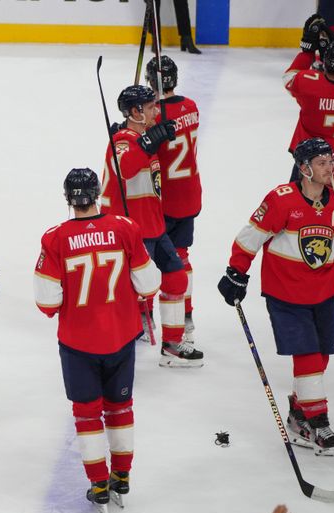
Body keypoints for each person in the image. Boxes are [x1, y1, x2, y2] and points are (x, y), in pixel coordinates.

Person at [218, 137, 334, 456]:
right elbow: (251, 236)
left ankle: (299, 415)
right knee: (308, 355)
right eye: (322, 163)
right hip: (286, 295)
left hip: (323, 293)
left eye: (331, 162)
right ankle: (317, 421)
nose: (330, 168)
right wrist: (236, 272)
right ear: (303, 168)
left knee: (321, 356)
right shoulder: (281, 200)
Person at [33, 168, 160, 513]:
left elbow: (47, 301)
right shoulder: (125, 227)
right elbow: (149, 284)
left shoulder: (55, 238)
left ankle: (99, 484)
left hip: (78, 341)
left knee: (87, 415)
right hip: (121, 336)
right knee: (120, 408)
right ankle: (122, 476)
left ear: (68, 198)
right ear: (97, 193)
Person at [102, 84, 204, 367]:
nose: (156, 112)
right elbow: (124, 167)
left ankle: (172, 345)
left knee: (176, 277)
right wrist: (146, 144)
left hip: (153, 225)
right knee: (131, 289)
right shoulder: (123, 140)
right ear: (135, 112)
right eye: (150, 108)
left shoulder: (144, 137)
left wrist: (150, 141)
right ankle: (120, 342)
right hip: (130, 228)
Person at [146, 56, 203, 343]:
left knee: (148, 259)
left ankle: (144, 317)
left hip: (162, 199)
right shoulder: (191, 106)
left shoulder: (153, 115)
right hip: (189, 193)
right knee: (182, 256)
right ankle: (186, 313)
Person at [284, 38, 334, 165]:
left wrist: (307, 52)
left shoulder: (307, 83)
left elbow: (288, 78)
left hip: (310, 158)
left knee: (301, 185)